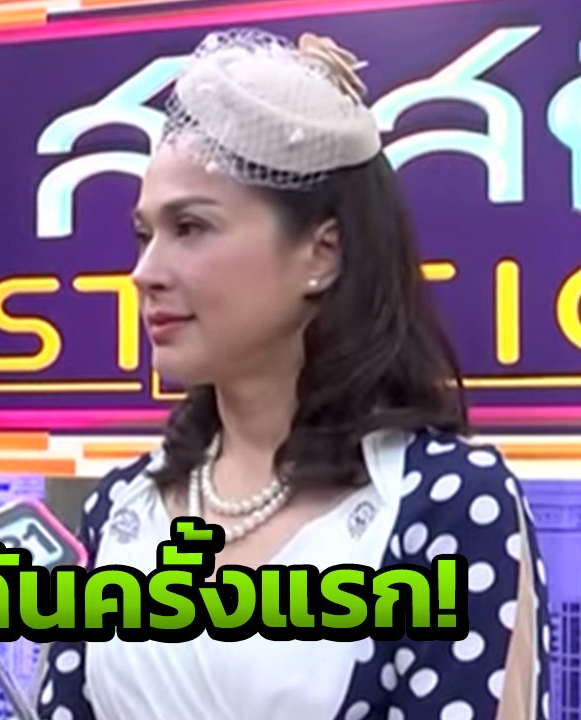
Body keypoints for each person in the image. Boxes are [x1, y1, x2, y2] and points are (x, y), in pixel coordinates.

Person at [36, 28, 551, 720]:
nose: (145, 272)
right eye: (143, 234)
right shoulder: (121, 509)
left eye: (190, 228)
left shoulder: (446, 504)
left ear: (322, 253)